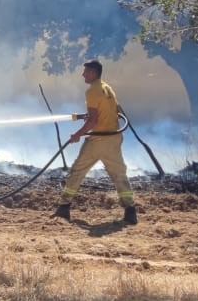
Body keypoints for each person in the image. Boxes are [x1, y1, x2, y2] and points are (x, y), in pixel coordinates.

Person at [55, 60, 137, 224]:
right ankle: (130, 211)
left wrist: (77, 135)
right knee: (119, 174)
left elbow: (93, 121)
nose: (83, 74)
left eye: (85, 71)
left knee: (77, 171)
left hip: (98, 140)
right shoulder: (107, 87)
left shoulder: (92, 91)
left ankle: (63, 208)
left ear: (93, 72)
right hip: (113, 138)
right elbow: (114, 109)